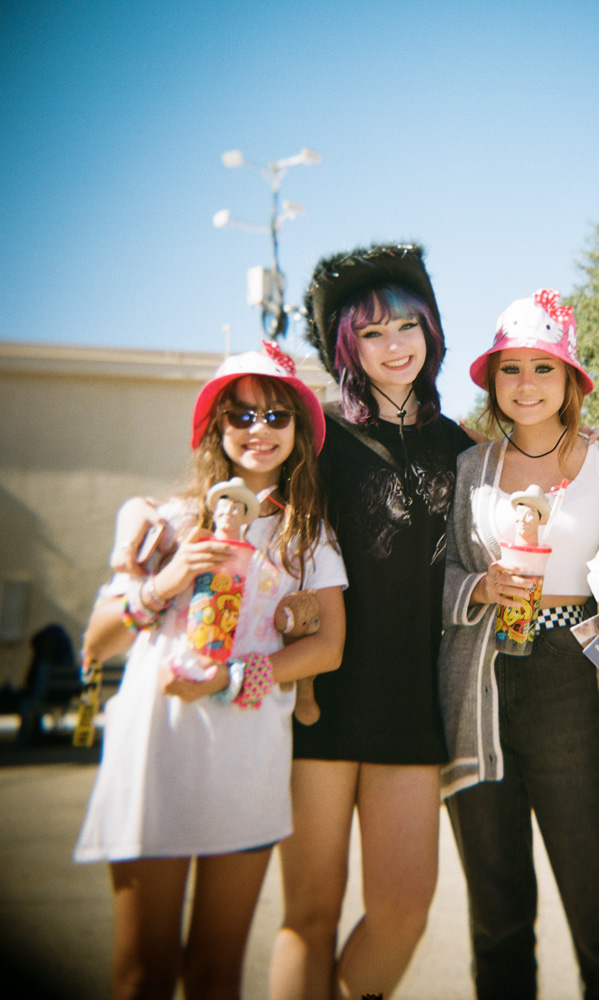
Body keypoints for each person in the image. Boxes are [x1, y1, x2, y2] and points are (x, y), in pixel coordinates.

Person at [74, 342, 348, 1000]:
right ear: (214, 427)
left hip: (246, 760)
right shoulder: (164, 520)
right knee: (142, 974)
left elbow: (327, 649)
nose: (259, 431)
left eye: (277, 416)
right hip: (157, 753)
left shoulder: (308, 537)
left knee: (216, 977)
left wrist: (230, 680)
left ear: (300, 433)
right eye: (242, 415)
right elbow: (98, 643)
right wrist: (167, 579)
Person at [269, 244, 474, 1000]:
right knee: (310, 913)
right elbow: (251, 506)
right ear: (347, 348)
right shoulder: (316, 435)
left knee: (403, 911)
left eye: (407, 327)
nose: (395, 346)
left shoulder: (461, 448)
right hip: (318, 697)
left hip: (412, 706)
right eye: (373, 333)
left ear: (431, 333)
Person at [438, 289, 599, 1000]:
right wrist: (478, 589)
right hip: (483, 682)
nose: (526, 385)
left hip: (576, 680)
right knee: (497, 921)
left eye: (543, 368)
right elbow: (433, 580)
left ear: (571, 382)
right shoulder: (471, 470)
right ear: (493, 382)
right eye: (511, 369)